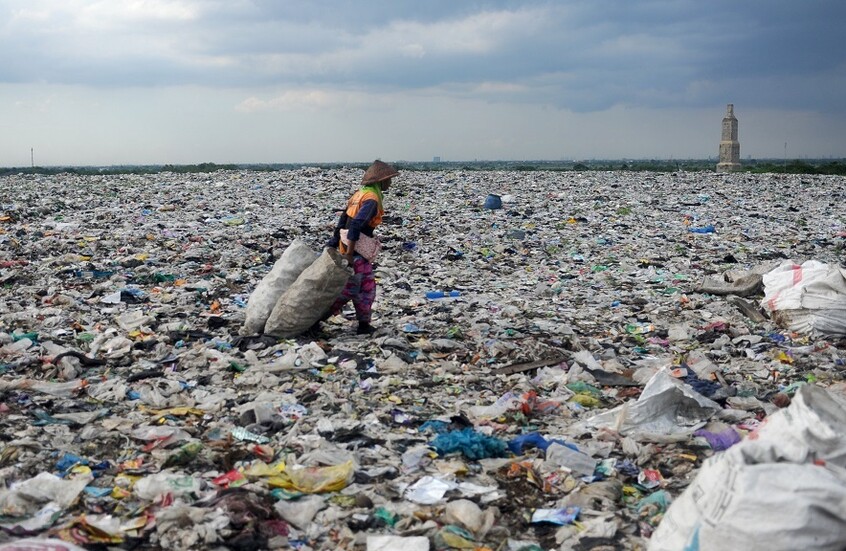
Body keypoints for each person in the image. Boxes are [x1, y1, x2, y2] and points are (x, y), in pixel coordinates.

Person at [323, 160, 398, 335]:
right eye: (389, 180)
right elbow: (356, 224)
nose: (391, 183)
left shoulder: (358, 194)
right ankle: (317, 318)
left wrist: (333, 244)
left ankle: (363, 325)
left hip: (349, 248)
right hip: (355, 252)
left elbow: (342, 220)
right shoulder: (371, 199)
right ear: (380, 181)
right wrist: (349, 254)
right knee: (353, 289)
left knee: (361, 287)